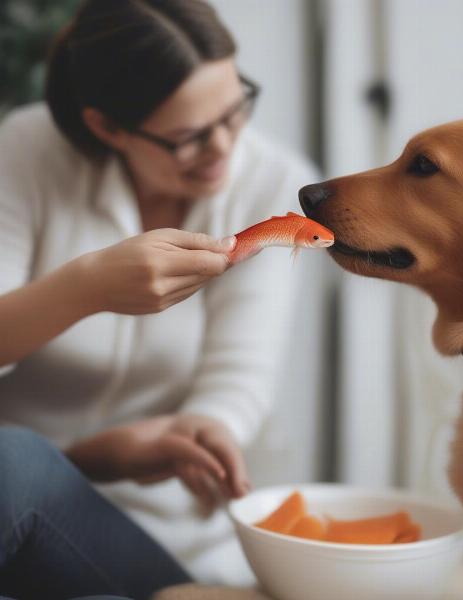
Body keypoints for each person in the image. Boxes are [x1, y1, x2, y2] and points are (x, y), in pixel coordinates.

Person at [0, 0, 316, 597]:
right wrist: (86, 286)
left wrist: (204, 430)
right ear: (106, 127)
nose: (225, 146)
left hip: (155, 539)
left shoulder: (269, 181)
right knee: (11, 466)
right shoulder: (27, 150)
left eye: (236, 108)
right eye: (189, 137)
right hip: (17, 497)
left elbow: (238, 377)